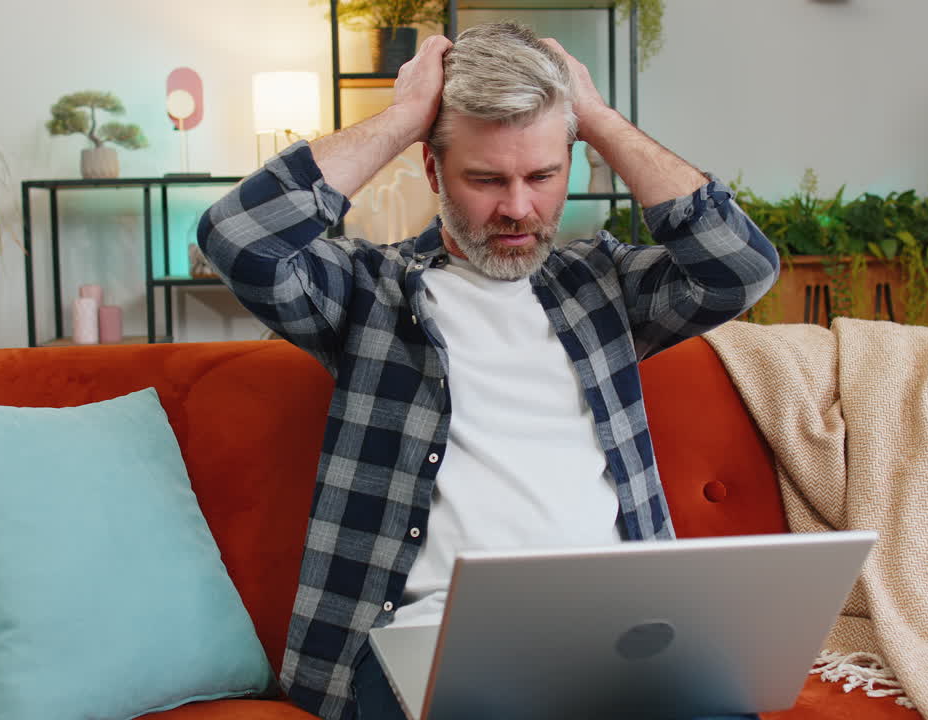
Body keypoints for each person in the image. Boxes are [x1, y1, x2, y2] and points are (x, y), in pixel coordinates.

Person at [198, 22, 779, 720]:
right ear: (434, 170)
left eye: (542, 175)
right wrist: (401, 118)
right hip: (428, 647)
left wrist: (593, 117)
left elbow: (741, 266)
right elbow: (238, 237)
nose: (517, 208)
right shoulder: (367, 292)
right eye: (485, 179)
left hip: (612, 638)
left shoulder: (604, 287)